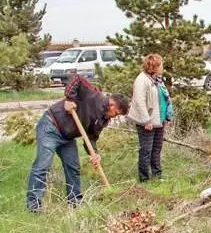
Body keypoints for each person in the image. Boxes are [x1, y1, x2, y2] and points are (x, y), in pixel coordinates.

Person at [26, 76, 129, 212]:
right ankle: (34, 205)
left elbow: (91, 137)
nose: (114, 117)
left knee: (73, 167)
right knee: (43, 165)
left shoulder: (103, 119)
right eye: (116, 114)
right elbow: (76, 79)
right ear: (112, 105)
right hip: (51, 127)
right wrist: (69, 99)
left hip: (67, 137)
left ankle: (75, 202)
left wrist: (95, 153)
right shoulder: (93, 95)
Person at [129, 53, 173, 183]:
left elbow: (163, 100)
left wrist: (166, 116)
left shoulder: (158, 79)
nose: (163, 68)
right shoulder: (142, 80)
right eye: (161, 65)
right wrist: (146, 120)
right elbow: (139, 101)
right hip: (147, 122)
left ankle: (157, 175)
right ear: (153, 66)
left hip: (159, 120)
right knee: (146, 150)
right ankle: (144, 178)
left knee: (156, 149)